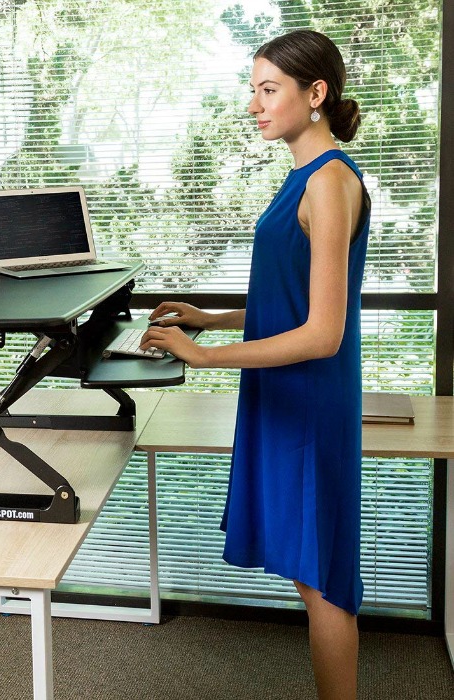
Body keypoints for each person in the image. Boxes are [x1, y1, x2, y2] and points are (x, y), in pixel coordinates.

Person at [140, 30, 370, 700]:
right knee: (311, 573)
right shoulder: (303, 176)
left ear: (315, 94)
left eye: (269, 90)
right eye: (254, 89)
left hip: (309, 405)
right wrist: (208, 318)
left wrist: (205, 355)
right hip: (285, 402)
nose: (254, 105)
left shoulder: (330, 184)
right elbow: (291, 298)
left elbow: (323, 333)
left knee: (323, 578)